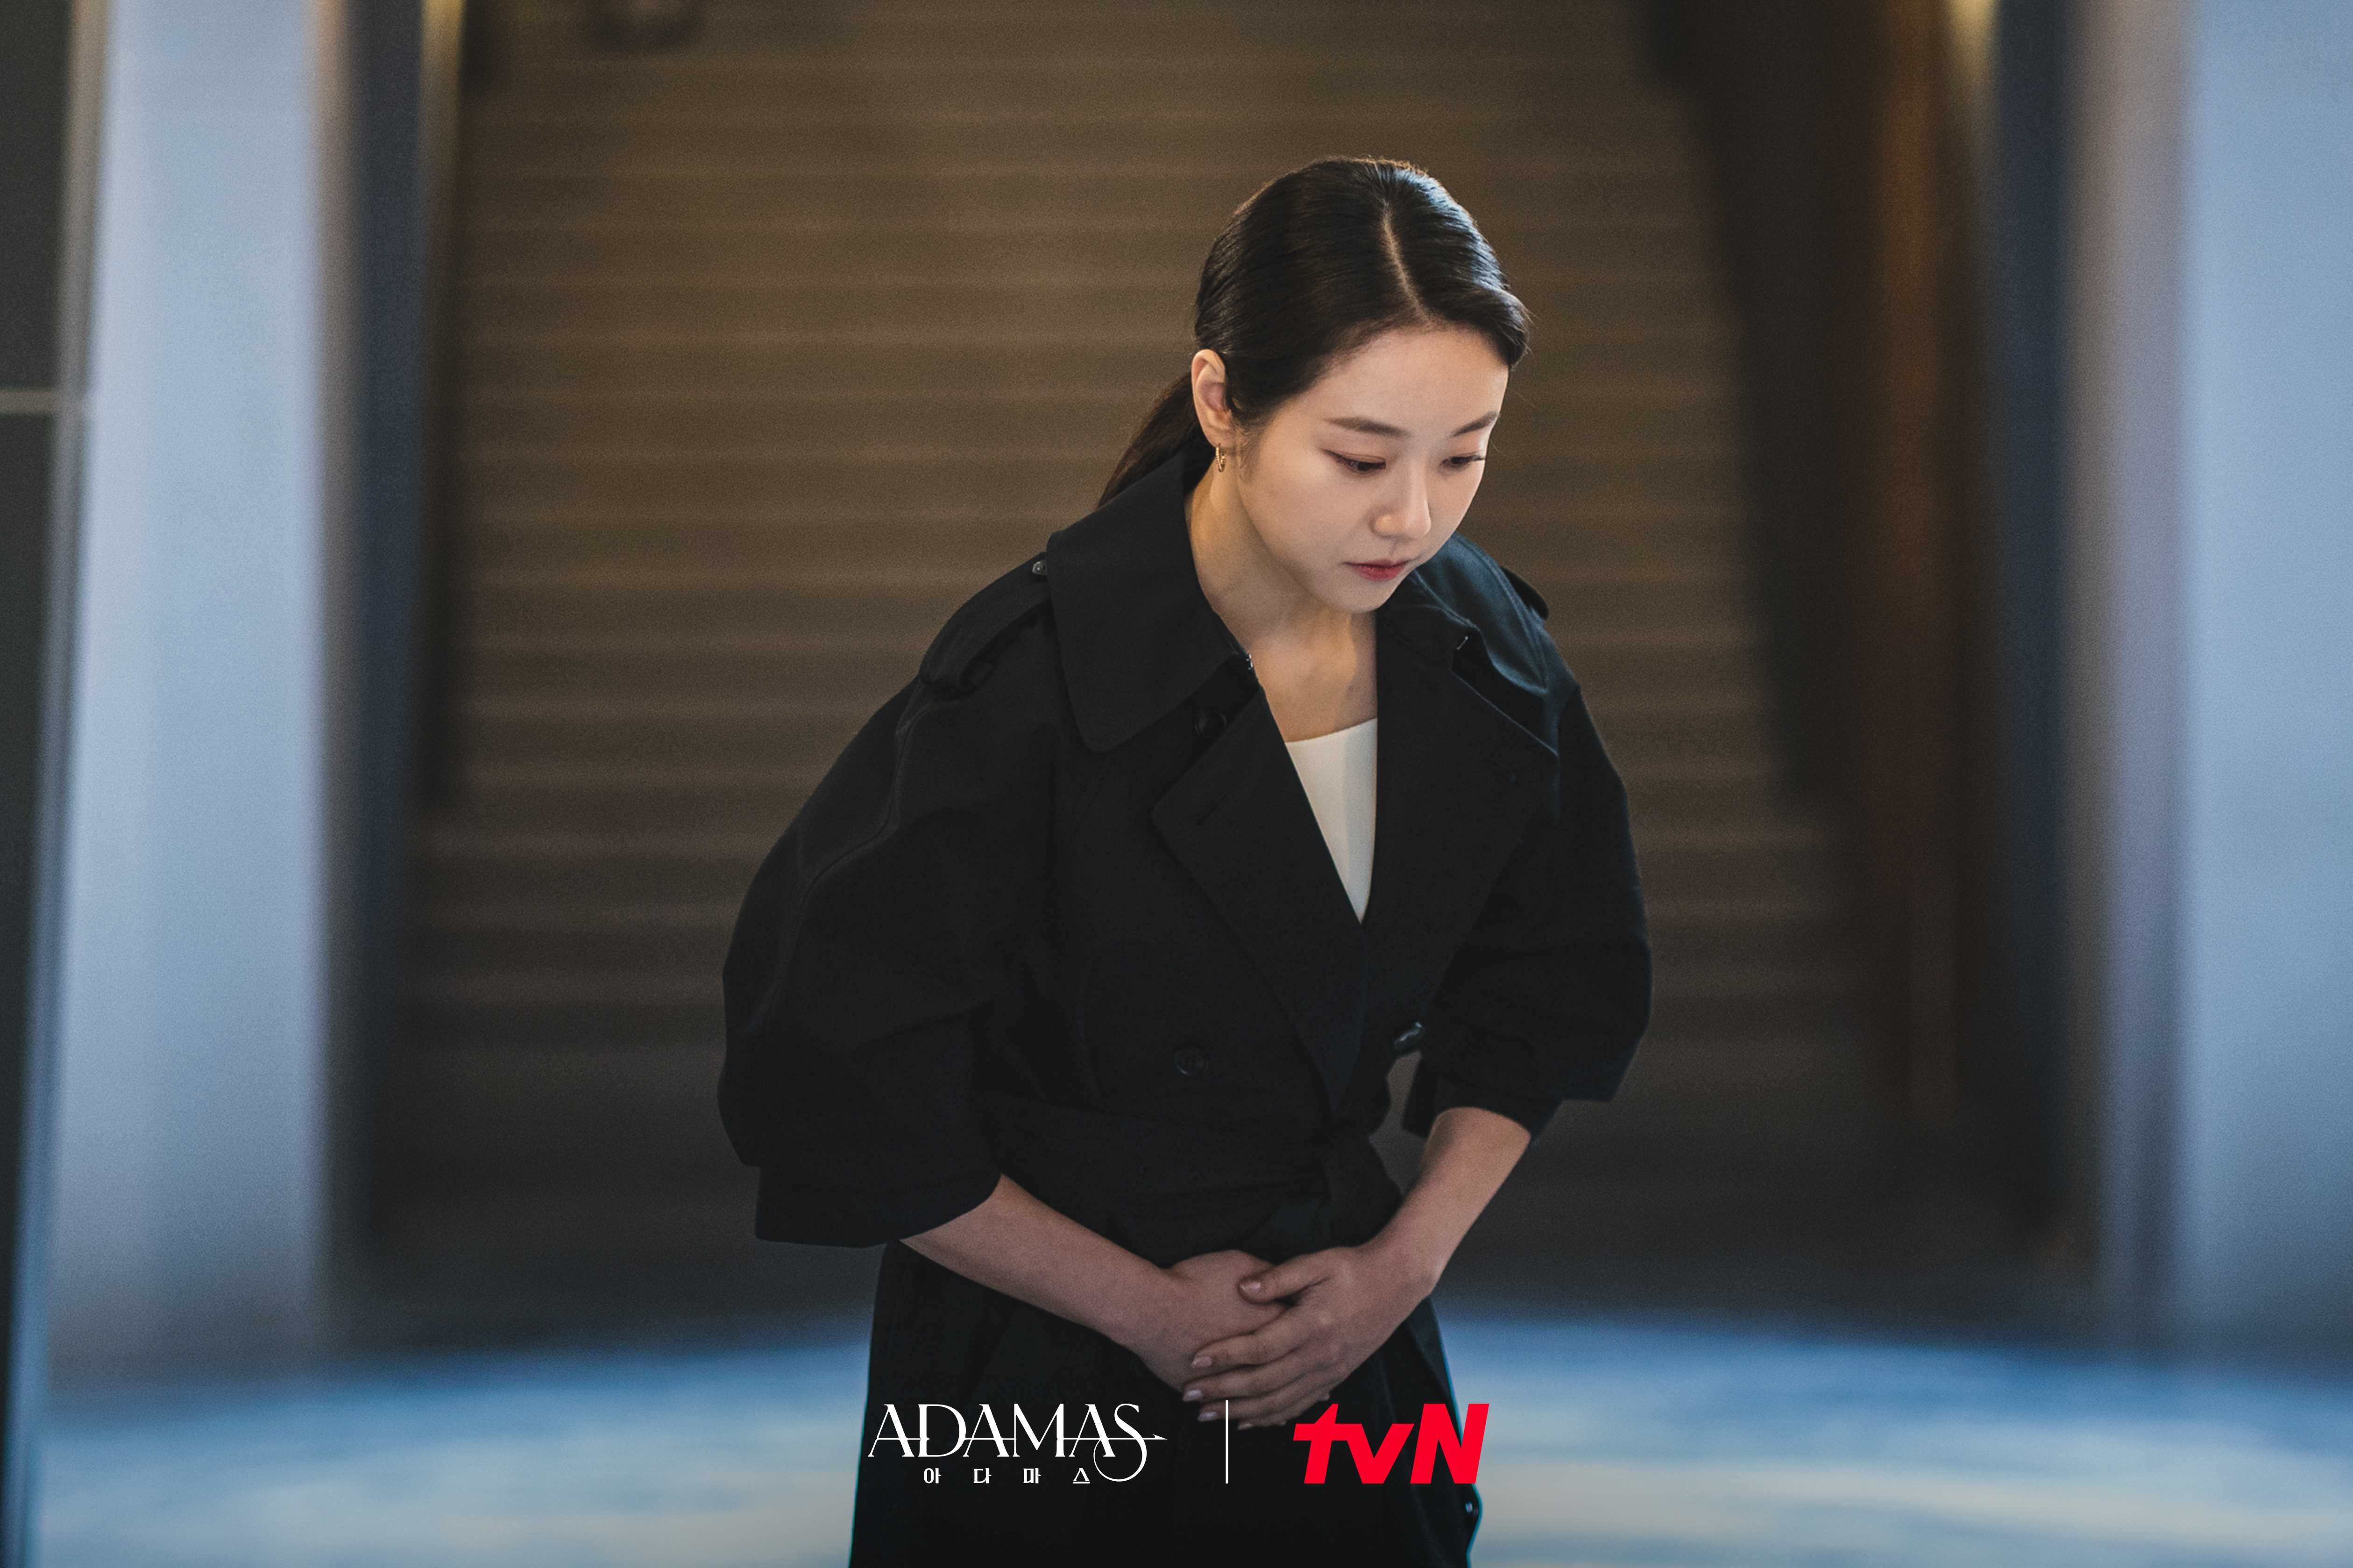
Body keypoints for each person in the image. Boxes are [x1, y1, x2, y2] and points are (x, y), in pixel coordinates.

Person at [717, 155, 1651, 1567]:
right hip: (1034, 1365)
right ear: (1222, 401)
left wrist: (1398, 1269)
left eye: (1464, 454)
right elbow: (832, 1078)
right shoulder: (1023, 683)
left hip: (1348, 1323)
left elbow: (1552, 987)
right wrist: (1152, 1314)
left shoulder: (1490, 646)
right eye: (1360, 459)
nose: (1413, 516)